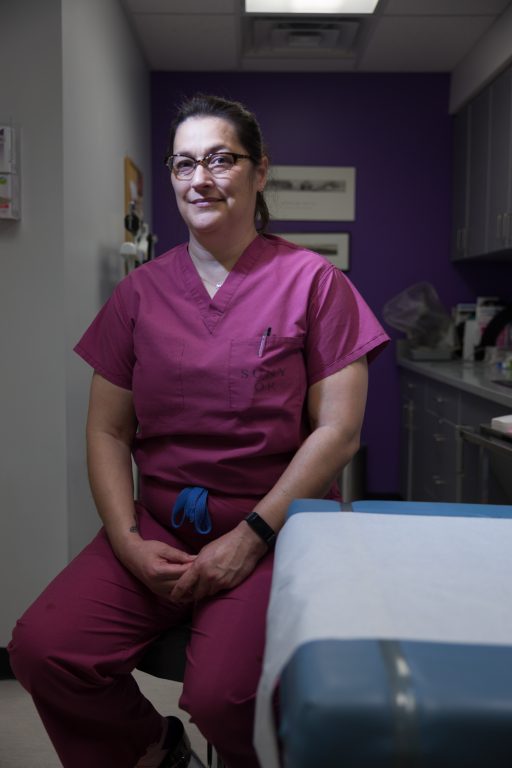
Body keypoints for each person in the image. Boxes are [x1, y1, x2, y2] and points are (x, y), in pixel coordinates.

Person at [8, 93, 389, 768]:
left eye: (221, 159)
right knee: (44, 648)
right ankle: (154, 751)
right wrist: (127, 542)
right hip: (158, 525)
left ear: (260, 172)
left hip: (274, 529)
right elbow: (107, 432)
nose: (200, 178)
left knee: (225, 697)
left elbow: (338, 432)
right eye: (183, 164)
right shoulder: (138, 294)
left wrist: (250, 538)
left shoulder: (314, 283)